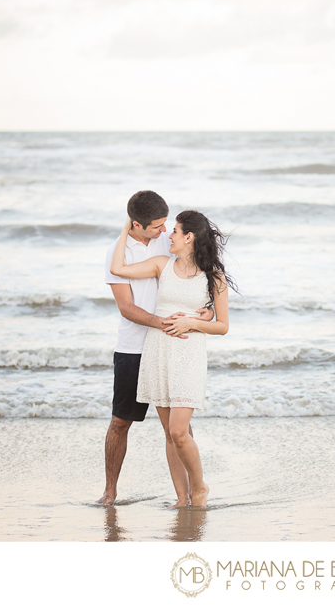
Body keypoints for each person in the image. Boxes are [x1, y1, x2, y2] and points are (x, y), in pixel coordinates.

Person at [110, 209, 235, 508]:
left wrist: (192, 323)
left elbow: (222, 326)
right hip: (158, 352)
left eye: (176, 231)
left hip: (189, 355)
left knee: (180, 430)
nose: (170, 234)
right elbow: (117, 269)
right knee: (169, 433)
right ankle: (182, 497)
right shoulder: (160, 265)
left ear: (189, 237)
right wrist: (127, 226)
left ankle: (200, 488)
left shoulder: (213, 277)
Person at [96, 191, 211, 507]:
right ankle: (110, 491)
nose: (164, 231)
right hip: (134, 347)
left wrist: (207, 313)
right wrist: (163, 322)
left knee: (177, 429)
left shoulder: (169, 240)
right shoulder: (116, 252)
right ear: (136, 224)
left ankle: (188, 496)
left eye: (167, 225)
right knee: (121, 421)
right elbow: (126, 307)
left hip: (171, 346)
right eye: (157, 226)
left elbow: (201, 282)